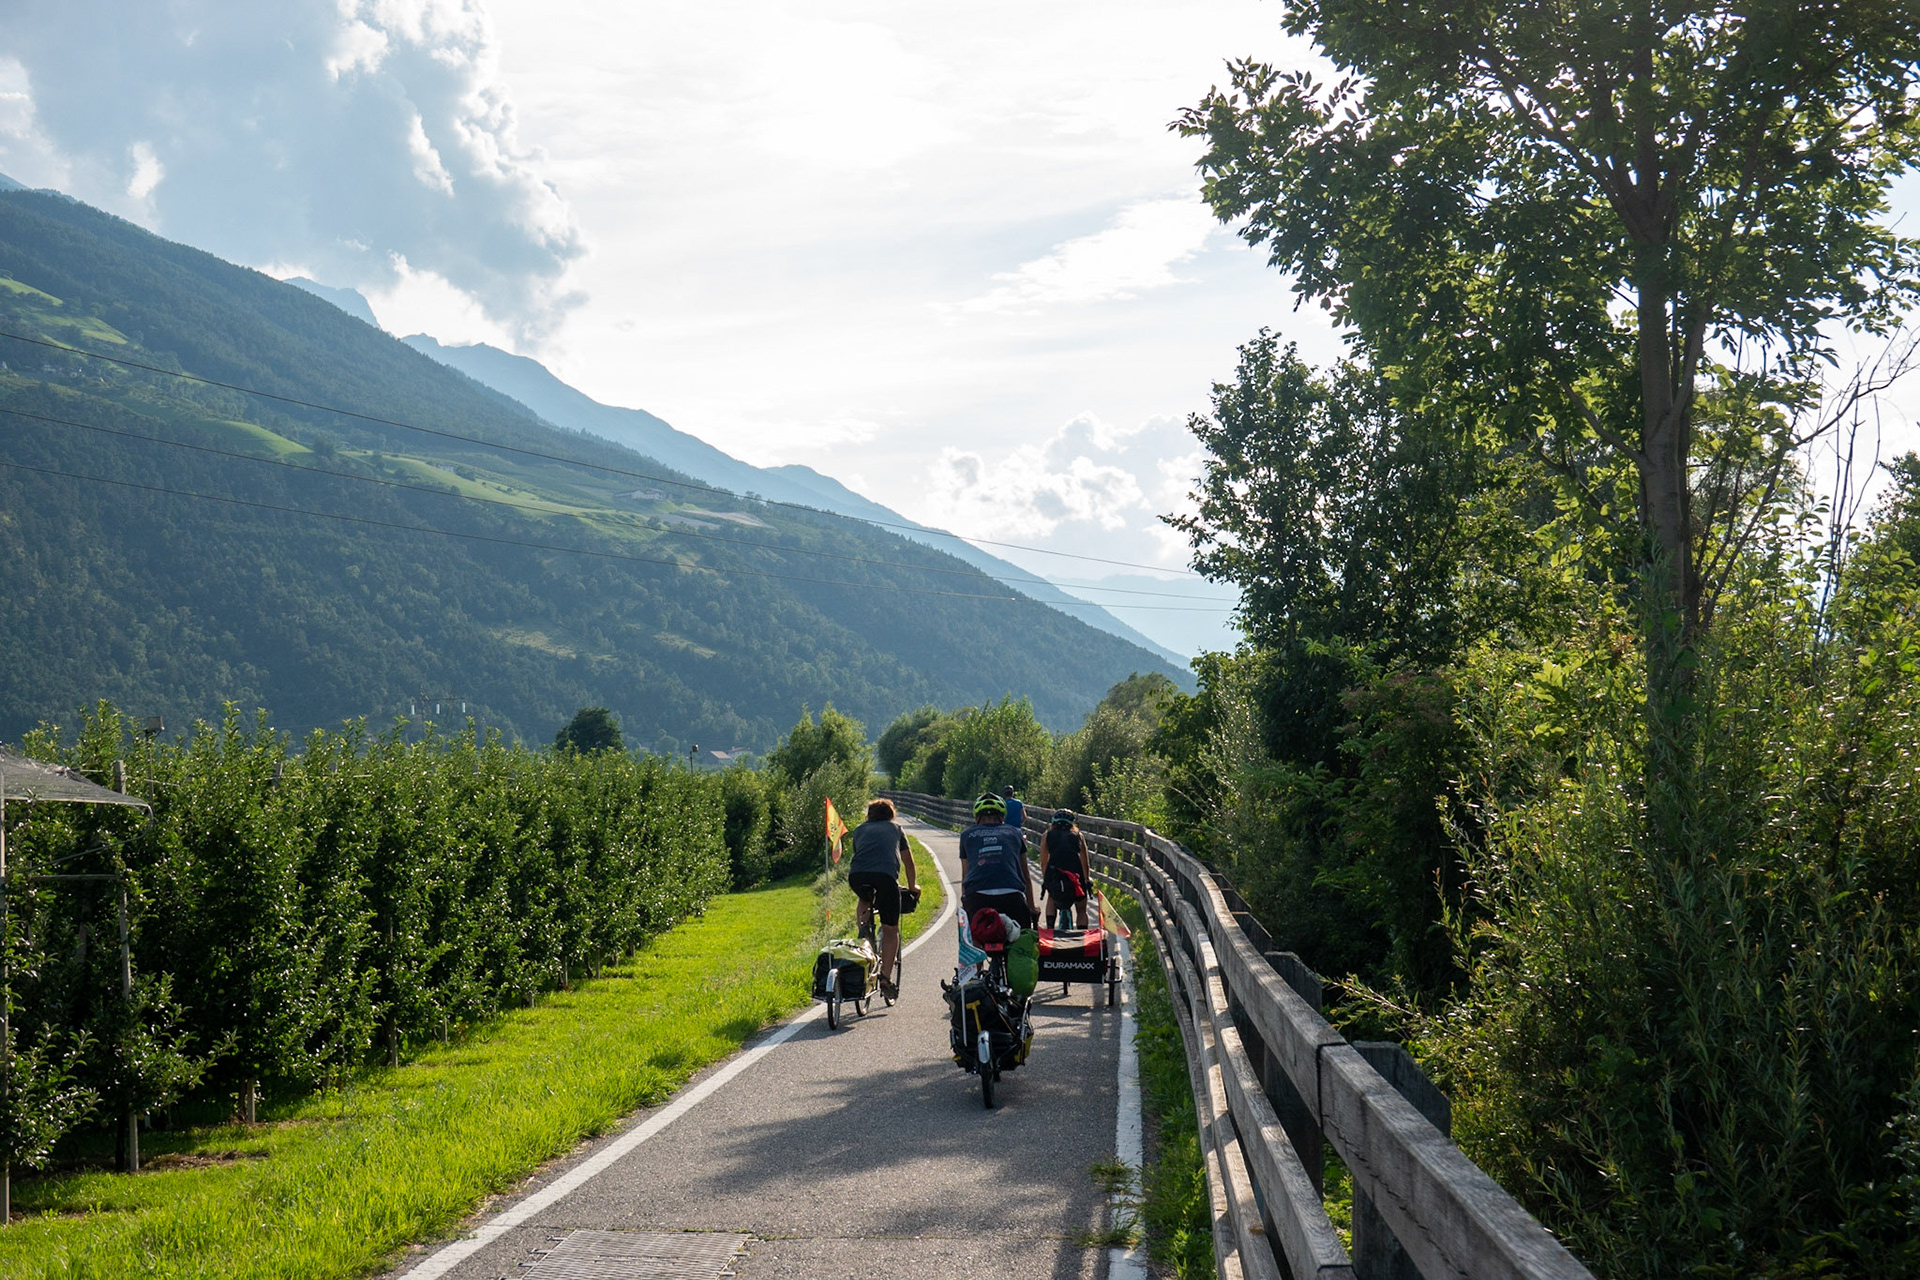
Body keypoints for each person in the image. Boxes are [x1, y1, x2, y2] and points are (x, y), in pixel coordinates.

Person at [848, 798, 918, 999]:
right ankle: (886, 978)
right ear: (891, 814)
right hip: (886, 877)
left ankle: (863, 929)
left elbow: (861, 855)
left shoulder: (859, 830)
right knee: (890, 929)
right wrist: (913, 887)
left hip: (857, 876)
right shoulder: (896, 829)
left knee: (865, 897)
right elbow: (909, 863)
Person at [960, 792, 1037, 932]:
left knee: (974, 938)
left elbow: (965, 875)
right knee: (1023, 937)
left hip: (977, 897)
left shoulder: (967, 835)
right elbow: (1025, 875)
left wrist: (966, 905)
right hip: (1011, 896)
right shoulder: (1015, 833)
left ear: (976, 817)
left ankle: (976, 950)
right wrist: (1032, 908)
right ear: (1003, 816)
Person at [1039, 809, 1091, 929]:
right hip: (1075, 875)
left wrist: (1046, 879)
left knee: (1051, 897)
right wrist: (1086, 879)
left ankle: (1050, 928)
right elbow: (1085, 861)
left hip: (1054, 873)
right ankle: (1082, 934)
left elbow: (1043, 861)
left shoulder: (1047, 835)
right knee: (1081, 908)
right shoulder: (1079, 836)